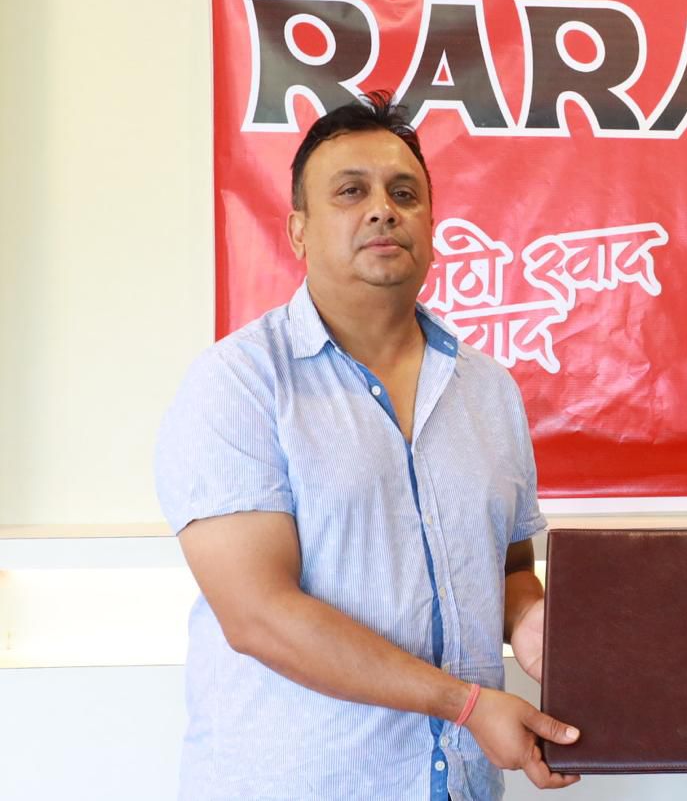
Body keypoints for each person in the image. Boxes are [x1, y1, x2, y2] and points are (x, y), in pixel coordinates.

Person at [155, 91, 579, 800]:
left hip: (462, 785)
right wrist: (466, 704)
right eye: (351, 192)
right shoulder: (239, 384)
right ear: (298, 230)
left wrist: (531, 622)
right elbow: (259, 615)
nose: (383, 209)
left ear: (432, 225)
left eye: (404, 193)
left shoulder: (489, 390)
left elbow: (509, 567)